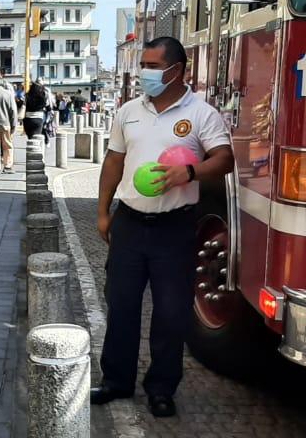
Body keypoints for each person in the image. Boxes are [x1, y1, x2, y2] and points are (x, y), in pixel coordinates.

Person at [91, 37, 233, 418]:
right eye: (144, 65)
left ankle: (161, 388)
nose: (146, 73)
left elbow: (224, 159)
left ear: (177, 70)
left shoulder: (202, 114)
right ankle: (116, 381)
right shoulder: (128, 112)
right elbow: (113, 163)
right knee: (121, 307)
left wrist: (189, 171)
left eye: (154, 66)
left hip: (175, 229)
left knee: (171, 314)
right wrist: (104, 212)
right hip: (130, 225)